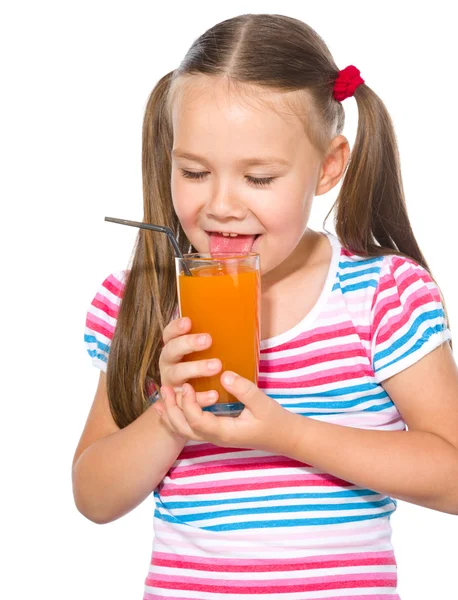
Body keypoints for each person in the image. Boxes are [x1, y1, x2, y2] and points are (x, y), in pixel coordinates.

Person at [73, 13, 458, 599]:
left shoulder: (380, 299)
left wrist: (286, 433)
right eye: (195, 172)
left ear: (328, 166)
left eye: (259, 178)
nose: (221, 206)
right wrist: (168, 418)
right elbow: (93, 497)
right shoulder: (145, 300)